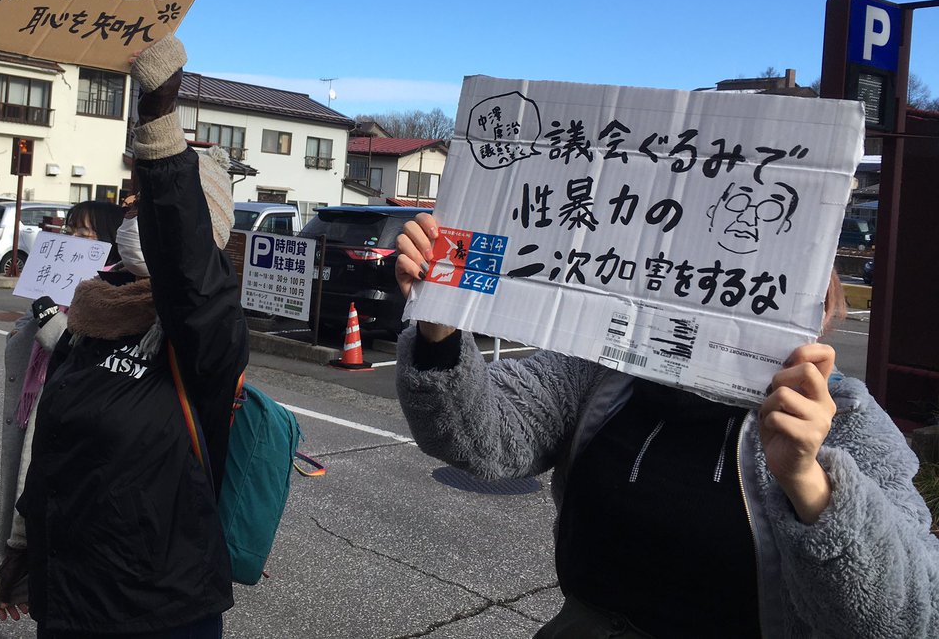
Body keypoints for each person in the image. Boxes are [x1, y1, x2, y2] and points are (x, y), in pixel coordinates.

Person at [395, 211, 939, 638]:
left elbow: (907, 620)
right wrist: (439, 329)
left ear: (821, 306)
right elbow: (485, 437)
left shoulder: (847, 420)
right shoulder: (608, 368)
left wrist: (811, 483)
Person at [12, 35, 249, 638]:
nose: (134, 213)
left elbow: (187, 268)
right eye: (133, 203)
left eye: (152, 207)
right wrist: (23, 545)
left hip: (159, 608)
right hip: (67, 594)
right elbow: (54, 448)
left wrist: (159, 126)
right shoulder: (92, 314)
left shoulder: (205, 332)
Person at [0, 198, 143, 621]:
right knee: (32, 497)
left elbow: (84, 355)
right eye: (71, 230)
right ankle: (28, 576)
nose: (74, 240)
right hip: (39, 403)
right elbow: (23, 342)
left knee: (52, 500)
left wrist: (51, 324)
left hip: (72, 419)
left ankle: (35, 577)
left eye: (86, 233)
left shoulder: (116, 293)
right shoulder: (57, 286)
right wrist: (40, 314)